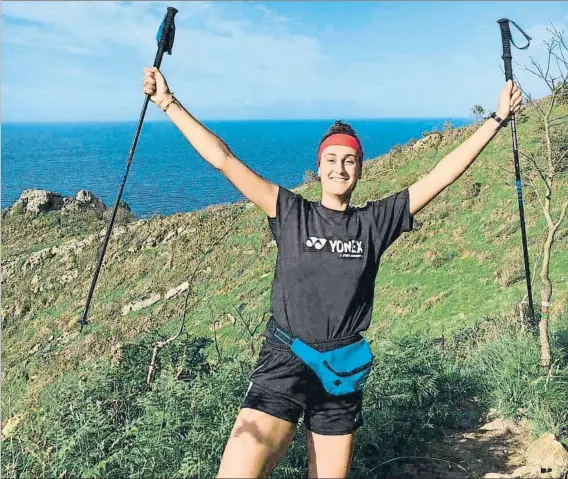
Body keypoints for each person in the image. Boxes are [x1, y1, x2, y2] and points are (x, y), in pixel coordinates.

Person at [143, 67, 522, 478]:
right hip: (284, 358)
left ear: (360, 168)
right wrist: (167, 102)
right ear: (318, 168)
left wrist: (497, 119)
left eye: (349, 160)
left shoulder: (375, 223)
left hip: (341, 368)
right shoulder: (290, 212)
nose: (340, 167)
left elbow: (441, 175)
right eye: (331, 159)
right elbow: (224, 159)